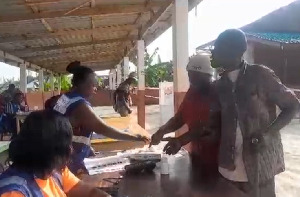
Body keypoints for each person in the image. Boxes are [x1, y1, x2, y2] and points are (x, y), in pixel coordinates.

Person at [211, 29, 300, 197]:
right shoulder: (219, 86)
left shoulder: (260, 75)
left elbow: (293, 106)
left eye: (218, 47)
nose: (213, 51)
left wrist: (267, 134)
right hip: (227, 168)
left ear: (236, 51)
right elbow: (216, 123)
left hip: (259, 166)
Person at [51, 61, 149, 175]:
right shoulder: (80, 106)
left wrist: (87, 148)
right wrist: (134, 137)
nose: (96, 89)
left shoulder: (65, 97)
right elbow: (104, 129)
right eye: (93, 85)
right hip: (67, 162)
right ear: (82, 84)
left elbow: (71, 127)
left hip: (57, 156)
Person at [0, 110, 111, 197]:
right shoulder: (15, 193)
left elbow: (90, 193)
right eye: (68, 145)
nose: (71, 150)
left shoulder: (55, 171)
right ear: (53, 150)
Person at [150, 51, 221, 179]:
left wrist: (181, 140)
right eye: (190, 75)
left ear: (208, 75)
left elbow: (210, 125)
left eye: (196, 76)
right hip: (197, 154)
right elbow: (180, 118)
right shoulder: (192, 91)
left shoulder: (217, 92)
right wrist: (162, 131)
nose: (192, 80)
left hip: (217, 160)